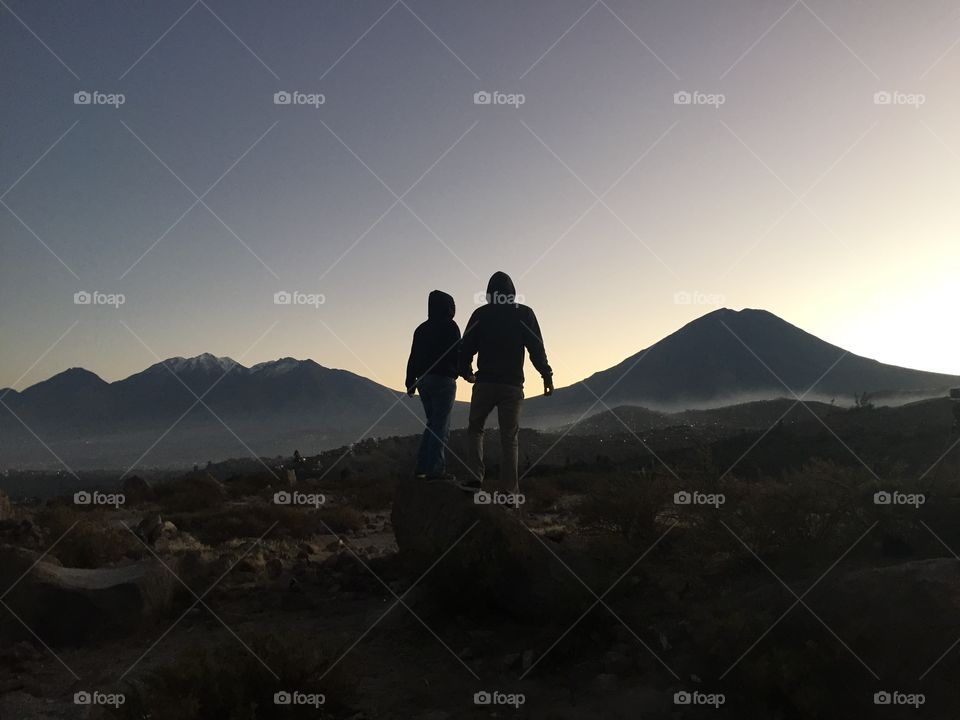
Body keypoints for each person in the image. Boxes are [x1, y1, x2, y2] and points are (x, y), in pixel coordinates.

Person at [459, 271, 553, 497]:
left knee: (475, 429)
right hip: (512, 385)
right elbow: (536, 347)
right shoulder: (524, 313)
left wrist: (466, 372)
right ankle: (509, 493)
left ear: (489, 293)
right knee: (509, 438)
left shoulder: (480, 314)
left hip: (485, 382)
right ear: (512, 293)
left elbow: (465, 347)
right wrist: (546, 374)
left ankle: (474, 479)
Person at [405, 290, 461, 481]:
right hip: (444, 380)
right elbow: (457, 352)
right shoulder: (450, 326)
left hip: (423, 381)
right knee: (440, 426)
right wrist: (465, 372)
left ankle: (422, 467)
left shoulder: (421, 329)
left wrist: (410, 381)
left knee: (432, 424)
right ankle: (435, 471)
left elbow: (413, 356)